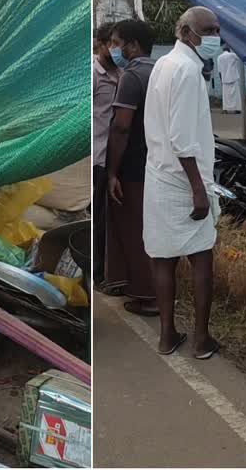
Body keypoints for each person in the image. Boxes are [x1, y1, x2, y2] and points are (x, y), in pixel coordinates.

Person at [143, 6, 222, 358]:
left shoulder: (163, 64)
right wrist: (198, 189)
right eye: (210, 30)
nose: (215, 38)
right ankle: (201, 339)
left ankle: (166, 336)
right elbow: (181, 138)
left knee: (163, 258)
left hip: (159, 175)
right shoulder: (188, 71)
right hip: (183, 179)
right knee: (201, 257)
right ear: (188, 32)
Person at [104, 19, 158, 315]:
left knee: (134, 229)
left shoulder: (132, 76)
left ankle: (146, 296)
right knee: (151, 229)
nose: (114, 48)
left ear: (133, 45)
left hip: (134, 165)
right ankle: (151, 291)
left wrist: (112, 171)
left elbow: (121, 127)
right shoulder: (162, 71)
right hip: (159, 164)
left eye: (116, 42)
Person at [92, 23, 121, 288]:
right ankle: (97, 273)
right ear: (99, 44)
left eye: (118, 43)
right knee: (99, 220)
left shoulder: (123, 72)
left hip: (117, 158)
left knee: (113, 219)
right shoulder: (92, 73)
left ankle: (111, 271)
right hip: (98, 158)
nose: (115, 49)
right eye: (110, 44)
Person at [216, 44, 242, 114]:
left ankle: (225, 109)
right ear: (229, 49)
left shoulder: (219, 57)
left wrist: (221, 80)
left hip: (224, 78)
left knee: (226, 96)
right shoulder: (232, 55)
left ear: (223, 50)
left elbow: (219, 70)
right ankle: (237, 109)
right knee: (236, 94)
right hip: (233, 77)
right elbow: (239, 57)